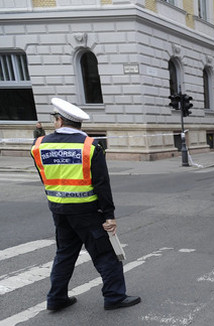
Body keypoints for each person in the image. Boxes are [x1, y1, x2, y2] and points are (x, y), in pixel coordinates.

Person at [31, 98, 141, 311]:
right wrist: (109, 215)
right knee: (106, 254)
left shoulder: (39, 145)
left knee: (64, 254)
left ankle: (56, 298)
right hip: (87, 211)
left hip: (59, 209)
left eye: (54, 119)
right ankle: (114, 296)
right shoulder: (90, 147)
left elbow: (44, 177)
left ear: (60, 121)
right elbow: (102, 184)